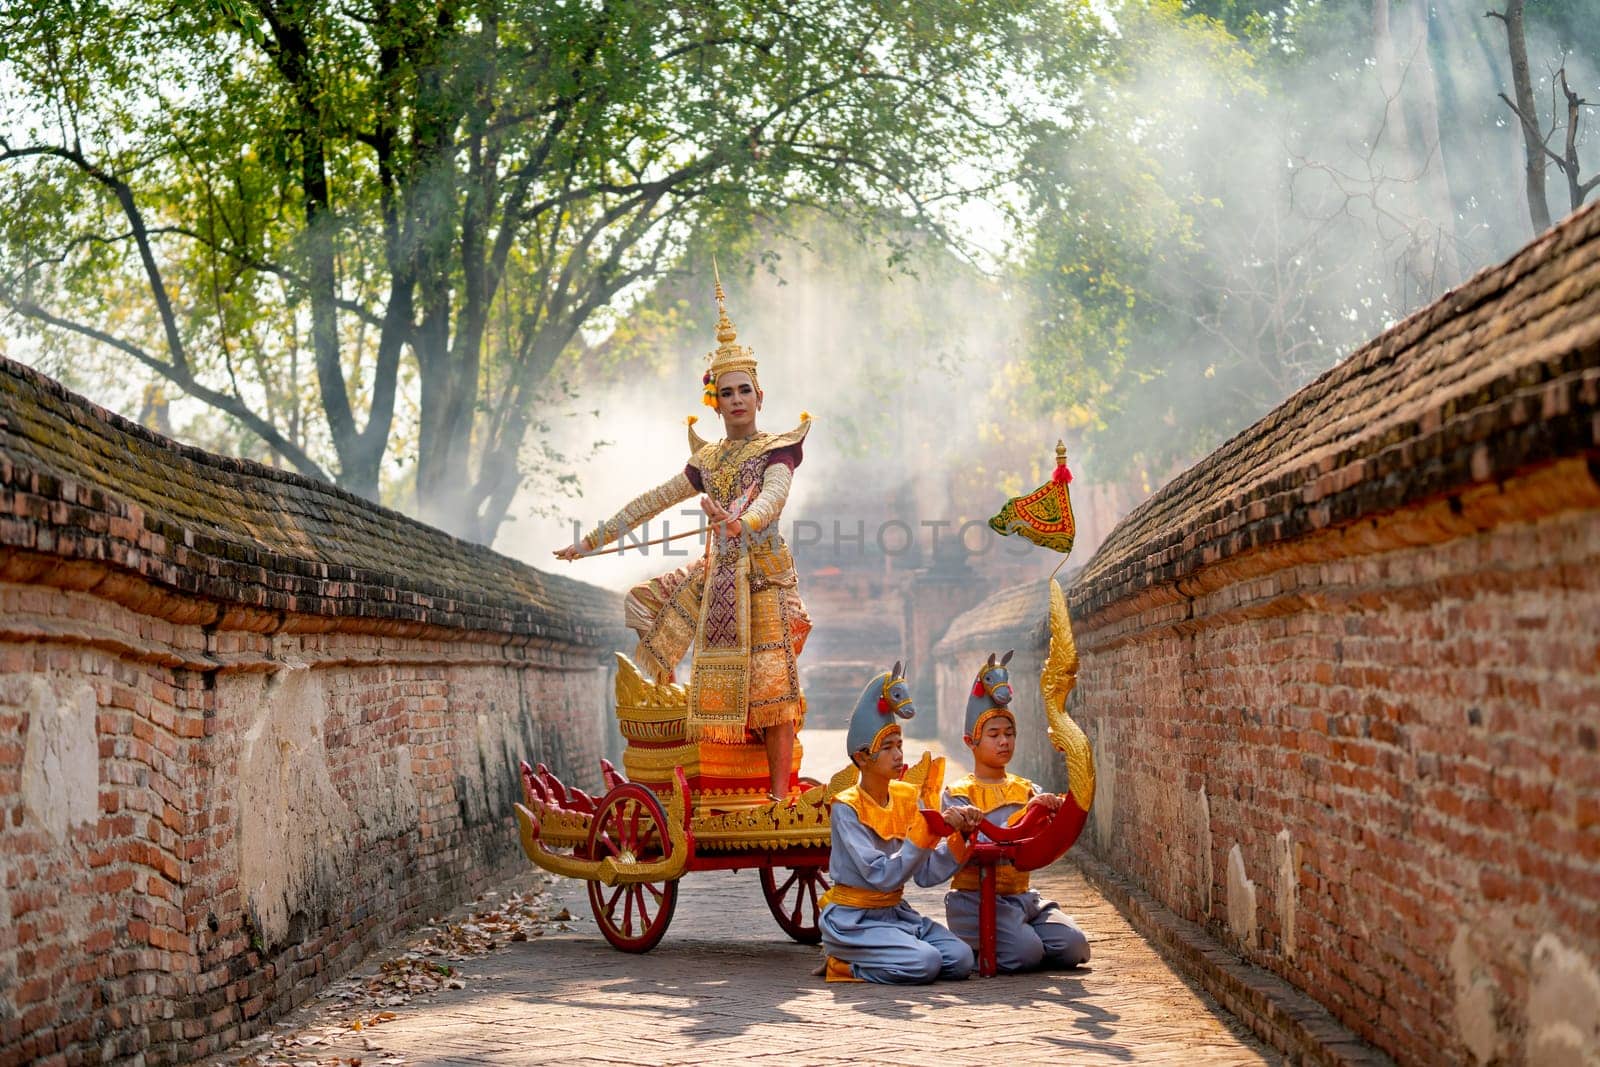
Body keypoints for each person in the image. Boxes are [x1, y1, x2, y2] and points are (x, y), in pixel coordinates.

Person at [553, 274, 810, 799]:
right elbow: (651, 501)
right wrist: (591, 542)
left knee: (772, 691)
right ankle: (682, 741)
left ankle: (780, 794)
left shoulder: (777, 450)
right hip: (716, 577)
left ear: (759, 397)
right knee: (645, 602)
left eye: (745, 391)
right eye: (726, 392)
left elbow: (773, 497)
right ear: (713, 402)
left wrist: (743, 521)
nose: (737, 400)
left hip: (762, 579)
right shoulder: (707, 459)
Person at [819, 666, 980, 984]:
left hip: (895, 913)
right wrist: (925, 833)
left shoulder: (908, 796)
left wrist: (960, 835)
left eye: (899, 745)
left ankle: (893, 952)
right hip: (854, 920)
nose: (898, 755)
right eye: (888, 747)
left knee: (961, 960)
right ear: (862, 758)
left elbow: (926, 873)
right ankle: (844, 965)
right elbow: (880, 874)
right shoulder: (847, 807)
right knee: (926, 963)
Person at [942, 652, 1091, 972]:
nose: (1003, 742)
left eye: (1009, 734)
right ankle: (992, 942)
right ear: (971, 740)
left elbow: (1038, 844)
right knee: (1026, 955)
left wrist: (1053, 815)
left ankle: (1024, 936)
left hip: (1023, 897)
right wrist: (1028, 816)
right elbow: (986, 842)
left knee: (1074, 946)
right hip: (976, 900)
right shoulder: (958, 794)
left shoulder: (1028, 789)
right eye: (993, 735)